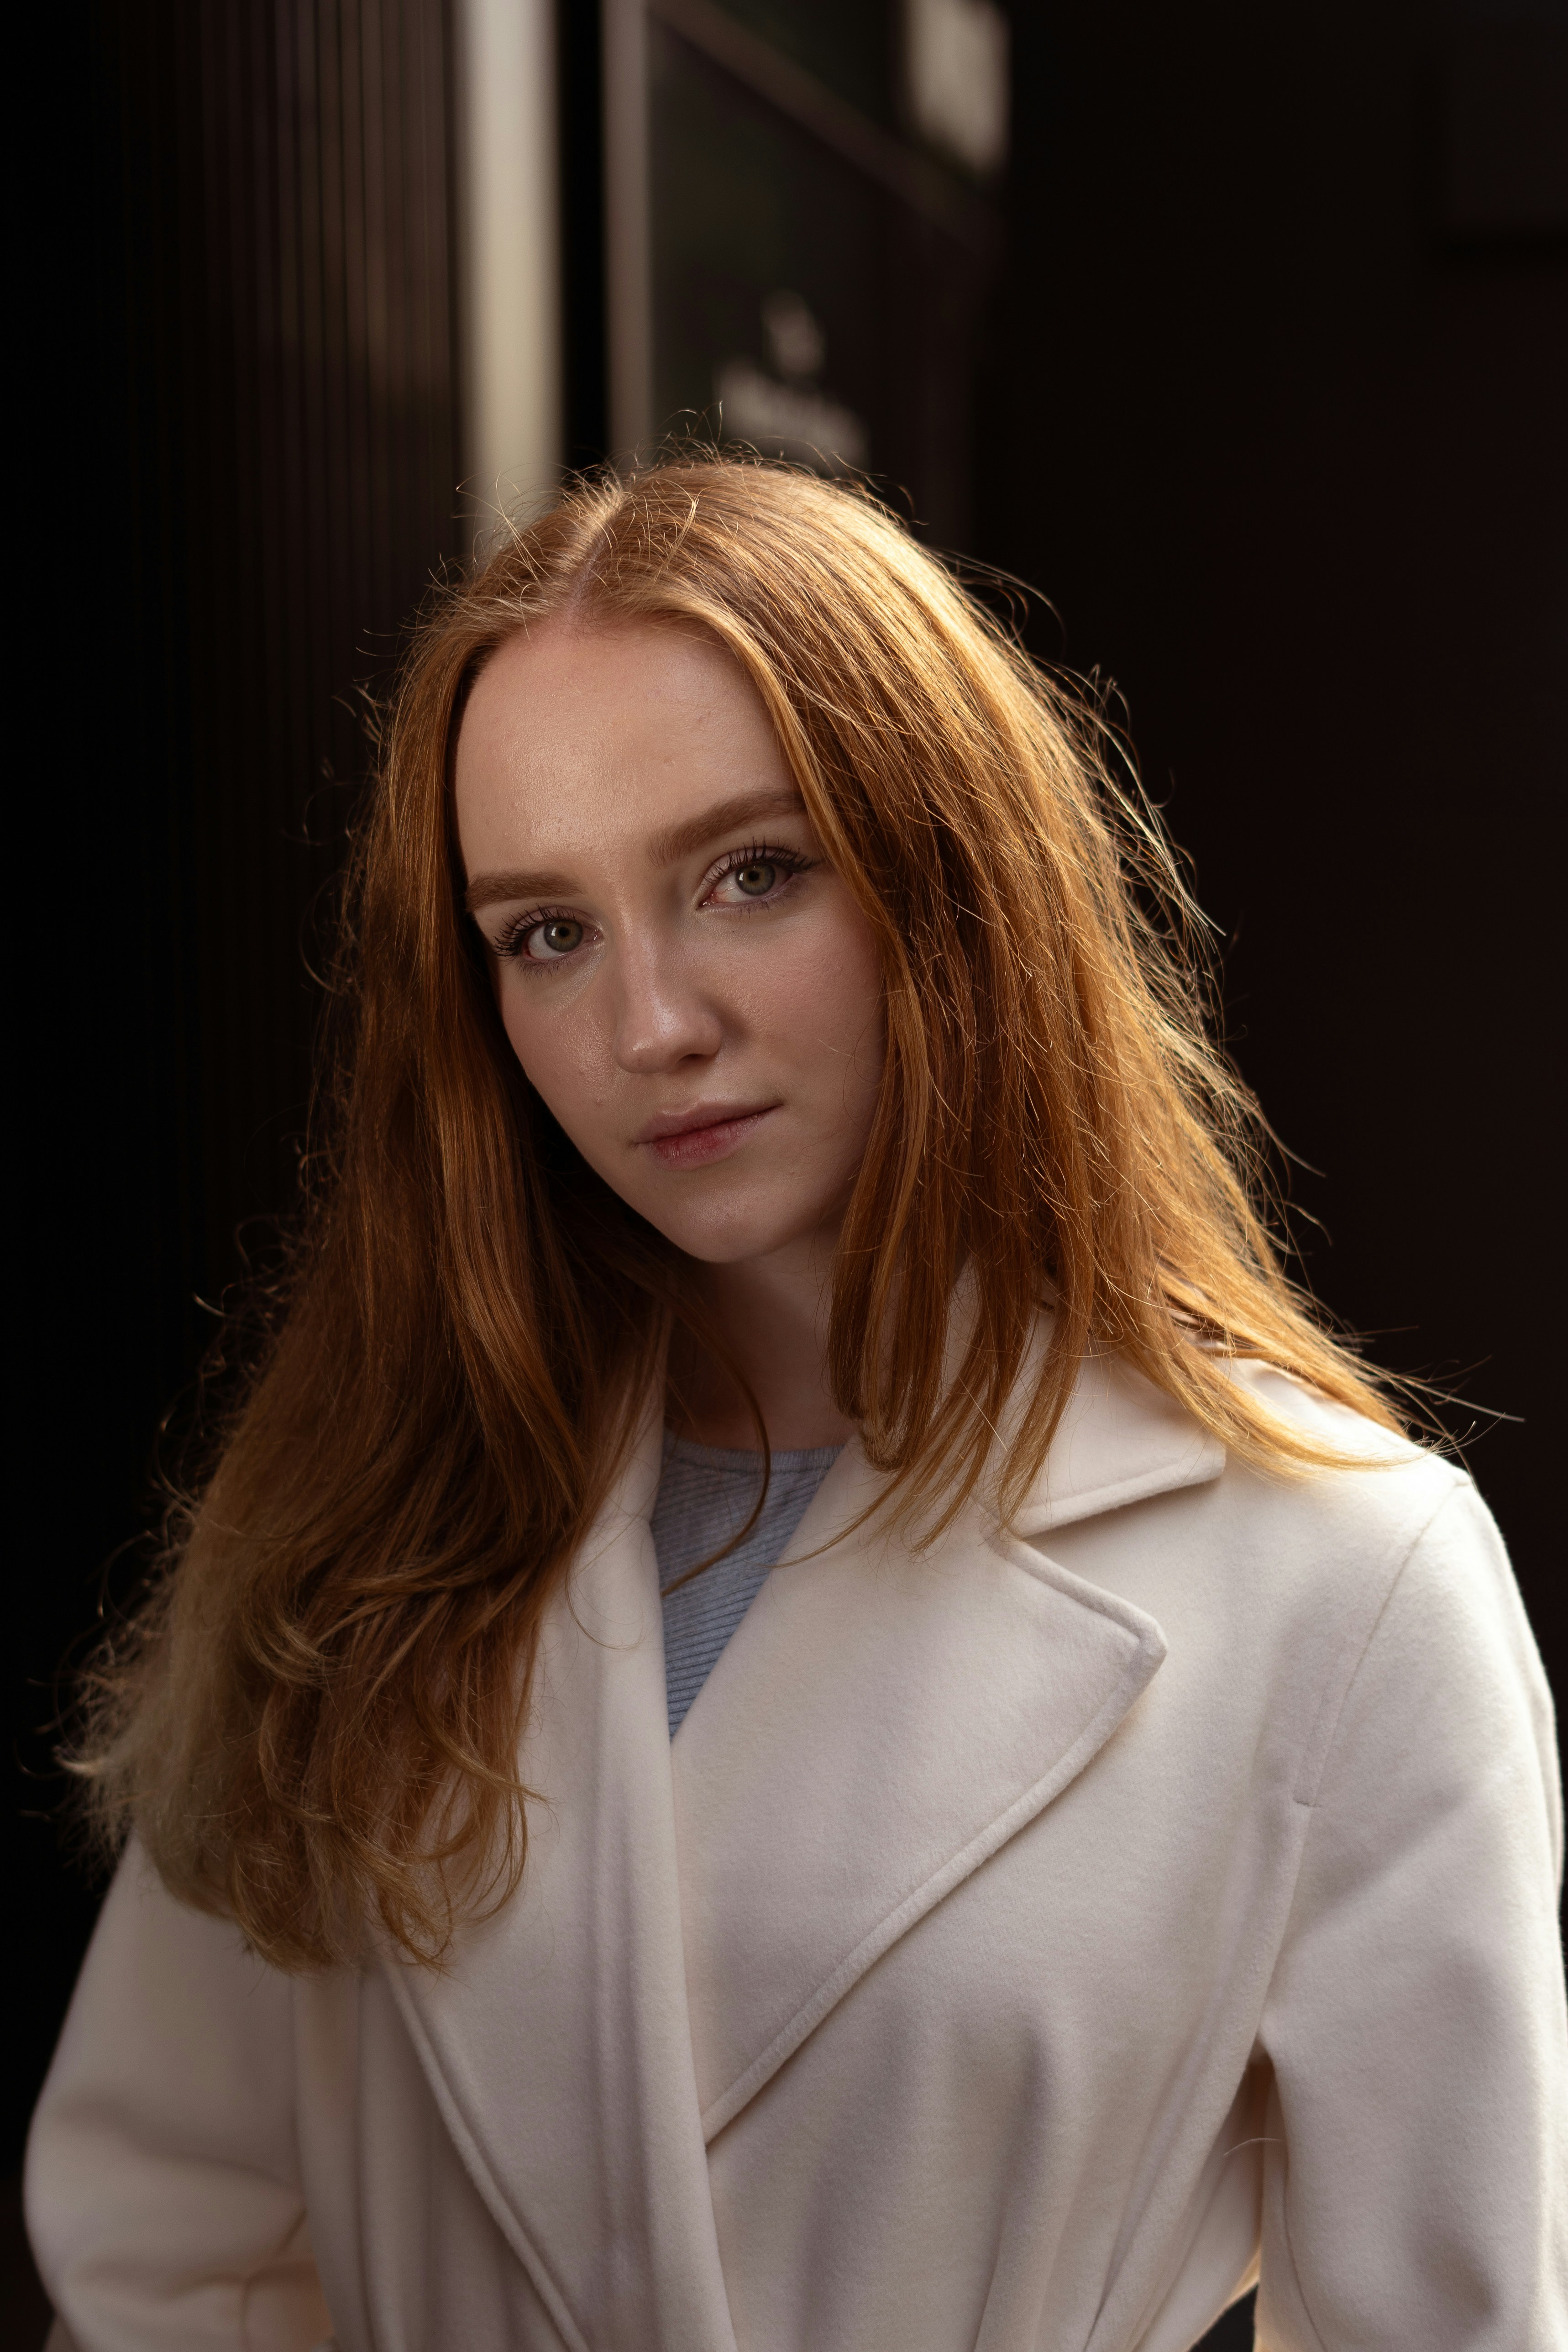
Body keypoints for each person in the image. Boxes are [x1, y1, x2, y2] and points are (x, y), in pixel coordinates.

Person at [26, 460, 1565, 2351]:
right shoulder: (360, 1520)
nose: (648, 1024)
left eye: (749, 873)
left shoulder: (1342, 1578)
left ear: (955, 882)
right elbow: (161, 2241)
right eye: (545, 932)